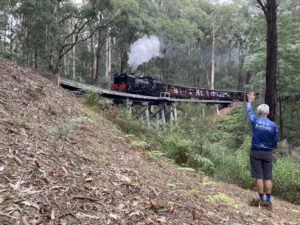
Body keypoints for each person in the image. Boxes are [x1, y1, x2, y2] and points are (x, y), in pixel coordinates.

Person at [247, 92, 278, 208]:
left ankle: (261, 199)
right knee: (268, 176)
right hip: (268, 153)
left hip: (255, 151)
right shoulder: (273, 125)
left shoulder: (255, 121)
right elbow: (275, 141)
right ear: (268, 112)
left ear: (259, 112)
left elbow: (249, 113)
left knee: (258, 176)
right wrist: (271, 147)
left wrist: (250, 101)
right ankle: (268, 201)